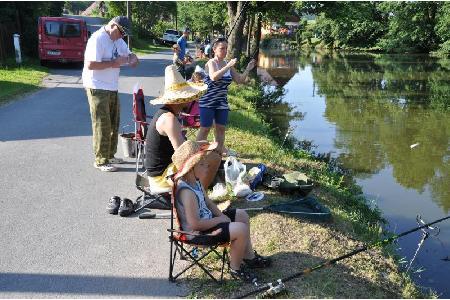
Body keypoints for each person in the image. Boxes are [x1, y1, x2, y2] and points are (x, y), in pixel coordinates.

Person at [171, 140, 272, 282]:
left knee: (241, 215)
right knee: (240, 229)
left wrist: (221, 215)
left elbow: (208, 202)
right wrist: (219, 220)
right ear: (191, 168)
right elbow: (195, 225)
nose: (207, 166)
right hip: (197, 234)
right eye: (202, 164)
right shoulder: (187, 192)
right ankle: (235, 269)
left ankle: (249, 257)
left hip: (208, 222)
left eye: (206, 162)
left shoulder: (195, 181)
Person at [144, 65, 221, 194]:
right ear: (180, 100)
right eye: (188, 97)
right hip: (161, 178)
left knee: (210, 153)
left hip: (161, 170)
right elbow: (183, 156)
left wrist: (204, 146)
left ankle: (198, 192)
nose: (190, 100)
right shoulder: (169, 119)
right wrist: (204, 153)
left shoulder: (167, 113)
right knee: (214, 158)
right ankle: (198, 196)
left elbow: (183, 148)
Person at [82, 16, 139, 172]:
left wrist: (133, 58)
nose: (123, 37)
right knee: (102, 123)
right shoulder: (98, 39)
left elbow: (130, 55)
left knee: (114, 122)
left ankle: (110, 155)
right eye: (121, 33)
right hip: (96, 86)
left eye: (124, 35)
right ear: (113, 26)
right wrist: (115, 63)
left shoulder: (118, 40)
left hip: (112, 86)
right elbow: (90, 64)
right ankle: (100, 160)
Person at [196, 38, 256, 154]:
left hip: (222, 102)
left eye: (226, 48)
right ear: (214, 49)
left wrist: (248, 68)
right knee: (205, 128)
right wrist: (228, 66)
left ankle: (218, 153)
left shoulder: (227, 64)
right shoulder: (211, 63)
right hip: (208, 101)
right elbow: (214, 77)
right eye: (222, 48)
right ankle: (196, 153)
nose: (224, 51)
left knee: (221, 128)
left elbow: (239, 80)